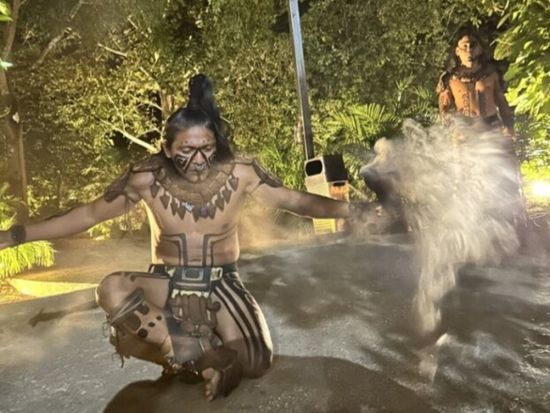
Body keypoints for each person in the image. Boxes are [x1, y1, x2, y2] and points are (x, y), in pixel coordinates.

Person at [0, 74, 363, 401]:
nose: (199, 160)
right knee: (111, 289)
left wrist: (356, 212)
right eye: (187, 151)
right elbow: (89, 215)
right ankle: (197, 356)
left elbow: (296, 201)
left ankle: (203, 349)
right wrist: (16, 235)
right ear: (168, 150)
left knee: (256, 361)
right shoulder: (146, 177)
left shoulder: (240, 172)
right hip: (165, 283)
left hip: (223, 282)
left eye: (207, 148)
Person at [437, 27, 515, 140]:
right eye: (465, 46)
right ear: (457, 51)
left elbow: (502, 102)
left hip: (491, 127)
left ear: (480, 49)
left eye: (472, 45)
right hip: (464, 130)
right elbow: (444, 109)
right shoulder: (449, 78)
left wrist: (509, 125)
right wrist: (453, 129)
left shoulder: (491, 74)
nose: (469, 50)